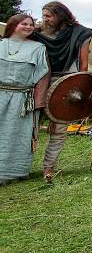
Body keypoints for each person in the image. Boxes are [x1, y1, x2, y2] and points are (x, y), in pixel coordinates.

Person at [31, 1, 92, 182]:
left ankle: (49, 167)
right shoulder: (37, 34)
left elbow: (83, 63)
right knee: (31, 127)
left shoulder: (80, 33)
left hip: (66, 81)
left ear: (60, 15)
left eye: (49, 16)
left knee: (59, 129)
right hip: (40, 81)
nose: (45, 19)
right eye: (44, 16)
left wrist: (81, 86)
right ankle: (21, 166)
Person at [0, 14, 49, 185]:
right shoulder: (1, 44)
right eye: (24, 24)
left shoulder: (38, 48)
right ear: (13, 25)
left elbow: (43, 76)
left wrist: (38, 102)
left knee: (17, 134)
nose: (28, 27)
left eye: (31, 24)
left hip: (22, 99)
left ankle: (14, 171)